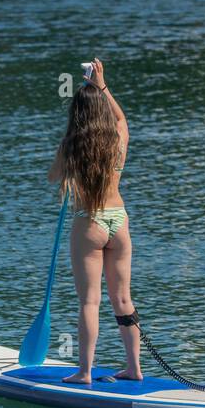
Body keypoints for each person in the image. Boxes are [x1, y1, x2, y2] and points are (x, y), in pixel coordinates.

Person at [47, 58, 142, 384]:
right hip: (119, 220)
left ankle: (84, 372)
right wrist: (102, 86)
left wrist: (68, 143)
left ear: (77, 115)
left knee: (90, 300)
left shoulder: (72, 146)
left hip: (90, 222)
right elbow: (122, 118)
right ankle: (134, 368)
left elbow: (52, 177)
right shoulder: (117, 139)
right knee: (123, 299)